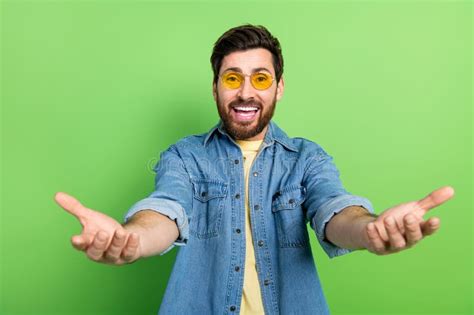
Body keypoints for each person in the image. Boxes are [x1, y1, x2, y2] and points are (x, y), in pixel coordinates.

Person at [55, 24, 455, 315]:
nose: (246, 91)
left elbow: (334, 210)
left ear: (278, 88)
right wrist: (132, 239)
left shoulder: (307, 158)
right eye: (232, 78)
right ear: (215, 88)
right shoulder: (184, 156)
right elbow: (165, 209)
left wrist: (370, 230)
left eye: (260, 79)